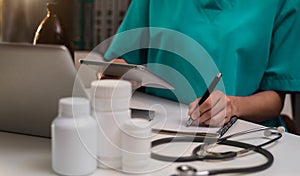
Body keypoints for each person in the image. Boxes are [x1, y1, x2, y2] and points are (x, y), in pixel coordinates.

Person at [104, 0, 300, 129]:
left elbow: (275, 99)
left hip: (238, 133)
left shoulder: (282, 4)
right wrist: (116, 74)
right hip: (157, 127)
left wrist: (232, 107)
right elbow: (123, 60)